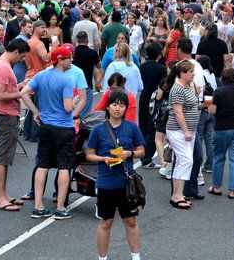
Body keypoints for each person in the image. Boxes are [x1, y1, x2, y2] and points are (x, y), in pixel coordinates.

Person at [20, 47, 81, 219]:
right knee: (64, 166)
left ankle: (38, 205)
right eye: (69, 58)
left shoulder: (41, 75)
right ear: (60, 60)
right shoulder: (66, 80)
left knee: (43, 164)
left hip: (46, 126)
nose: (71, 60)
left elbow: (23, 93)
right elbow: (68, 108)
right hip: (63, 127)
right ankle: (60, 207)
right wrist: (75, 101)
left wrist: (35, 112)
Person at [86, 91, 145, 260]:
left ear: (126, 108)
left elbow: (142, 151)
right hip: (106, 182)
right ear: (108, 106)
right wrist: (103, 158)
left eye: (121, 105)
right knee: (106, 222)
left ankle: (136, 257)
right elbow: (89, 154)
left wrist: (129, 154)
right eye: (114, 104)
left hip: (127, 182)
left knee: (131, 221)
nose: (117, 108)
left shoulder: (132, 127)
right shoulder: (98, 129)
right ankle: (102, 258)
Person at [0, 39, 31, 212]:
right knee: (3, 157)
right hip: (6, 115)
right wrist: (20, 93)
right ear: (16, 51)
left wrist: (20, 85)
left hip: (9, 114)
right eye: (22, 56)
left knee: (6, 157)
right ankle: (0, 198)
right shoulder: (3, 67)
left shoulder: (4, 65)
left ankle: (4, 195)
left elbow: (5, 90)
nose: (22, 60)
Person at [207, 68, 234, 199]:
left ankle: (217, 187)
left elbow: (212, 111)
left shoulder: (218, 92)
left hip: (222, 127)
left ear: (223, 78)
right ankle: (232, 190)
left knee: (219, 157)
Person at [166, 60, 200, 209]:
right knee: (186, 160)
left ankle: (177, 194)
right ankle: (177, 195)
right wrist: (186, 131)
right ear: (182, 73)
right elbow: (178, 112)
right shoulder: (178, 89)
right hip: (178, 130)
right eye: (191, 72)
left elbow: (189, 106)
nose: (193, 74)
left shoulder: (187, 87)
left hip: (187, 131)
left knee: (182, 161)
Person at [138, 42, 167, 167]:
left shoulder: (141, 67)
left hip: (143, 98)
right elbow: (165, 86)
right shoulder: (161, 69)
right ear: (159, 54)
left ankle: (142, 153)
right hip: (155, 101)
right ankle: (147, 158)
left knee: (143, 127)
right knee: (153, 129)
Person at [73, 31, 102, 117]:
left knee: (74, 110)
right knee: (85, 113)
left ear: (77, 40)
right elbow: (99, 65)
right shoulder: (92, 52)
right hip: (87, 84)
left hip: (74, 86)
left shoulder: (73, 52)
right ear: (87, 39)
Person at [196, 55, 217, 174]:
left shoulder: (201, 74)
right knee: (209, 139)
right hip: (211, 106)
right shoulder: (212, 74)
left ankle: (197, 164)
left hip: (203, 107)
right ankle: (209, 165)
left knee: (199, 138)